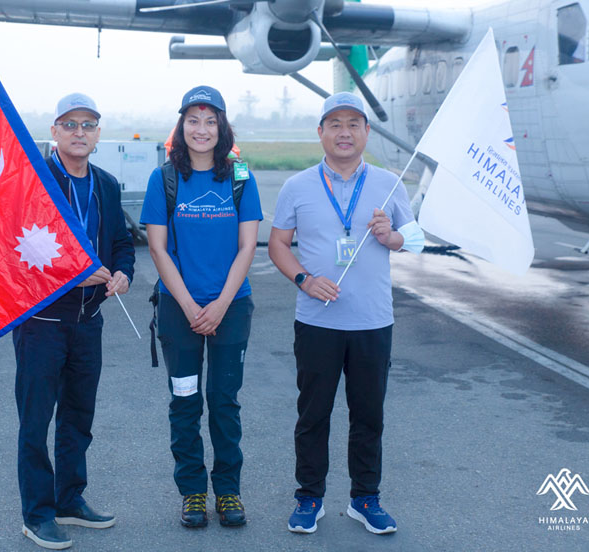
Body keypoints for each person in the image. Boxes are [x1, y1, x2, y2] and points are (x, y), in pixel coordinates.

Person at [268, 92, 424, 536]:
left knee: (368, 416)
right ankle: (309, 497)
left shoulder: (389, 184)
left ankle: (365, 499)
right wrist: (304, 280)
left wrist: (391, 236)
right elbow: (278, 244)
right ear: (320, 132)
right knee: (312, 415)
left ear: (366, 132)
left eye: (353, 124)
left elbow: (415, 240)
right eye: (334, 124)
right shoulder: (297, 186)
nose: (344, 132)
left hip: (372, 322)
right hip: (317, 322)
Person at [13, 93, 135, 550]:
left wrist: (123, 273)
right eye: (70, 124)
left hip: (89, 321)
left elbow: (121, 242)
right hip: (41, 321)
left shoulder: (106, 184)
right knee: (35, 421)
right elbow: (19, 249)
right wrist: (72, 274)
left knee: (78, 416)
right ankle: (37, 514)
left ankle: (69, 500)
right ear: (54, 132)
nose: (79, 132)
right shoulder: (35, 182)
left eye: (88, 125)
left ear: (98, 134)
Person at [140, 85, 262, 528]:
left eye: (211, 121)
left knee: (224, 402)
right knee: (185, 401)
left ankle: (228, 491)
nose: (202, 129)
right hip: (179, 309)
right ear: (182, 126)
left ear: (222, 127)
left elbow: (247, 247)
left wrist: (220, 304)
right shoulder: (164, 178)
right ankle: (192, 491)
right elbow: (157, 249)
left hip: (231, 307)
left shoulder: (241, 177)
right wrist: (191, 306)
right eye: (193, 120)